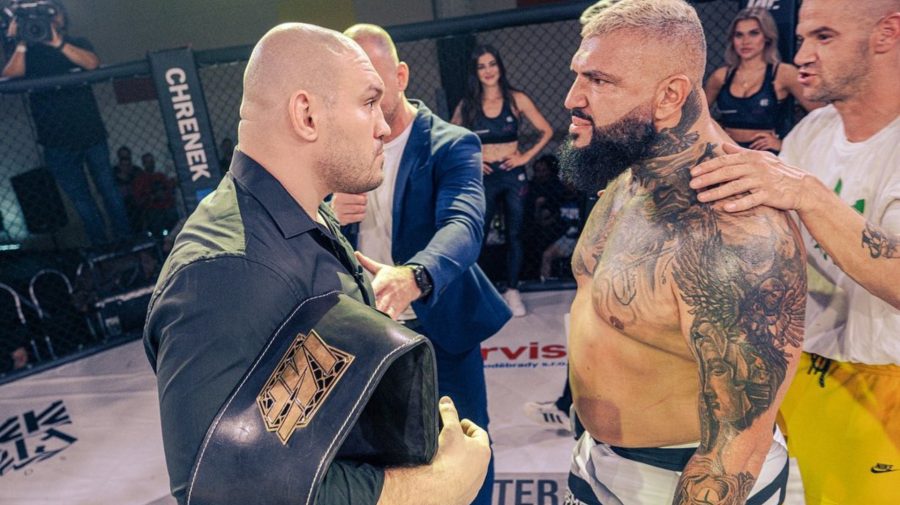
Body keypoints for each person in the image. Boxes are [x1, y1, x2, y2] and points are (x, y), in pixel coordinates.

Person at [143, 23, 490, 505]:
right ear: (306, 115)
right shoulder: (226, 272)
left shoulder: (303, 216)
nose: (383, 126)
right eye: (369, 102)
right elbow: (221, 490)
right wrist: (431, 489)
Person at [560, 1, 808, 503]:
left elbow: (735, 449)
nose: (573, 98)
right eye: (578, 75)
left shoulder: (734, 230)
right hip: (600, 461)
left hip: (688, 475)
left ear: (670, 95)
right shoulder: (633, 176)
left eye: (599, 81)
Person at [690, 0, 900, 502]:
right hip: (798, 366)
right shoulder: (812, 132)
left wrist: (808, 194)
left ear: (886, 33)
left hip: (883, 382)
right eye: (803, 38)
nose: (802, 55)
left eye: (824, 37)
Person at [332, 24, 511, 505]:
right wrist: (327, 209)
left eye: (374, 83)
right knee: (383, 455)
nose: (366, 98)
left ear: (401, 75)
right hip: (365, 328)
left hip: (439, 320)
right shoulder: (338, 147)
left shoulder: (451, 143)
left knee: (465, 446)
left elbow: (463, 224)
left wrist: (415, 276)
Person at [1, 1, 130, 245]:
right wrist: (21, 42)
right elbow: (10, 75)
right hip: (56, 142)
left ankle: (126, 242)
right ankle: (101, 248)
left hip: (91, 133)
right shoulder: (28, 53)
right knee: (82, 201)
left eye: (51, 14)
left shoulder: (77, 43)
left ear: (61, 18)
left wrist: (57, 42)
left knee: (109, 191)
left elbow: (92, 63)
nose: (46, 20)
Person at [451, 45, 553, 317]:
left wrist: (525, 157)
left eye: (492, 64)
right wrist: (472, 159)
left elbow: (546, 130)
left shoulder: (516, 99)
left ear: (500, 66)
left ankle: (512, 290)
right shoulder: (468, 105)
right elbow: (451, 137)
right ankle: (478, 293)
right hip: (483, 176)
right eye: (481, 66)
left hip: (512, 174)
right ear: (475, 72)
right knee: (478, 235)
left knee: (515, 233)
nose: (488, 71)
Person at [704, 7, 822, 153]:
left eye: (754, 33)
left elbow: (823, 115)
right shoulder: (720, 76)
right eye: (739, 35)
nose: (745, 41)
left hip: (766, 156)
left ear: (767, 37)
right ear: (732, 39)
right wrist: (715, 131)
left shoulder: (783, 73)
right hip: (727, 154)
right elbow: (695, 116)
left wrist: (784, 144)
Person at [131, 152, 178, 236]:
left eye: (152, 162)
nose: (151, 164)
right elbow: (139, 200)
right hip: (152, 210)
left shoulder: (160, 176)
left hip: (167, 207)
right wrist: (153, 197)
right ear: (143, 164)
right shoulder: (140, 180)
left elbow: (169, 189)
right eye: (148, 162)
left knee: (173, 214)